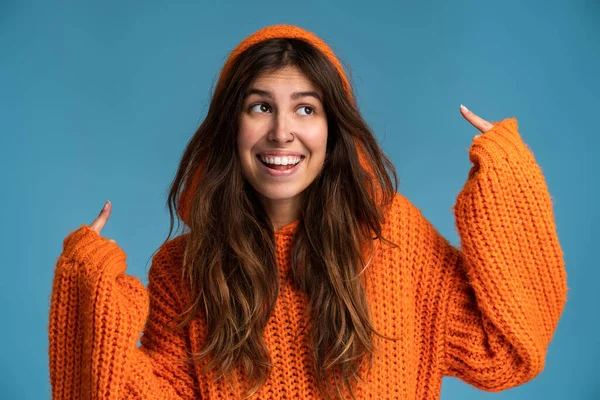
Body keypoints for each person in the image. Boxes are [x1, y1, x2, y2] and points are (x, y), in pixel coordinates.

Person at [48, 24, 568, 400]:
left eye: (305, 107)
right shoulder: (182, 268)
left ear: (332, 128)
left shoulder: (393, 237)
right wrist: (88, 302)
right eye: (260, 107)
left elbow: (504, 353)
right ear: (232, 127)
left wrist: (507, 185)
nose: (281, 132)